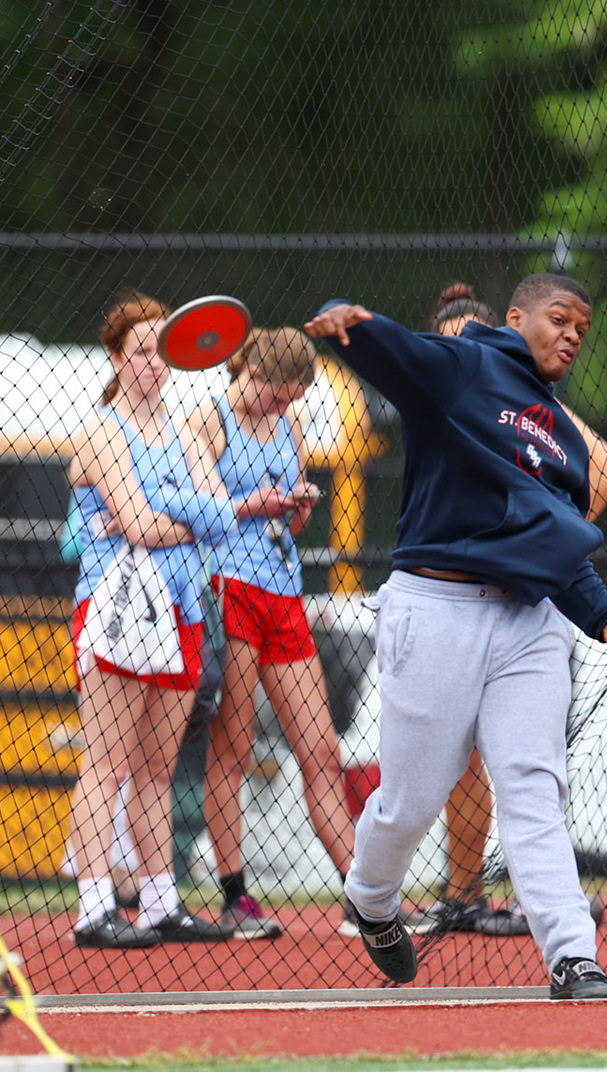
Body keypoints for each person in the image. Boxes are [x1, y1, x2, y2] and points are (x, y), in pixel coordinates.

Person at [304, 273, 607, 1000]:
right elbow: (400, 357)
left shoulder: (561, 434)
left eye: (582, 330)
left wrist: (601, 613)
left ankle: (573, 957)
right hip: (438, 608)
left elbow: (552, 544)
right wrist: (353, 327)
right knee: (413, 798)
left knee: (533, 786)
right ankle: (372, 896)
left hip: (528, 623)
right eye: (560, 319)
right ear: (516, 317)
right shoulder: (466, 365)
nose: (572, 336)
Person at [63, 292, 293, 949]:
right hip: (119, 606)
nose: (154, 365)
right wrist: (188, 513)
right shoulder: (106, 430)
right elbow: (146, 521)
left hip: (183, 606)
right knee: (106, 763)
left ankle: (162, 905)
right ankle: (95, 908)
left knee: (159, 768)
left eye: (160, 352)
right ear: (116, 356)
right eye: (139, 353)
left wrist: (173, 511)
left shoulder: (183, 428)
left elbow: (216, 512)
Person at [411, 284, 607, 938]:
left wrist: (541, 540)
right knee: (451, 766)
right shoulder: (442, 402)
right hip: (449, 604)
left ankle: (544, 909)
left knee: (531, 772)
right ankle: (464, 893)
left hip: (530, 603)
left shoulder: (530, 404)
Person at [184, 327, 348, 940]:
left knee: (322, 752)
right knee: (235, 748)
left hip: (283, 588)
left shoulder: (290, 425)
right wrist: (261, 503)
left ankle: (364, 895)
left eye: (291, 400)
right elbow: (207, 504)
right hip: (230, 586)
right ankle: (234, 895)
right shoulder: (210, 416)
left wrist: (299, 503)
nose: (281, 409)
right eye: (275, 396)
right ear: (251, 372)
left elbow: (294, 521)